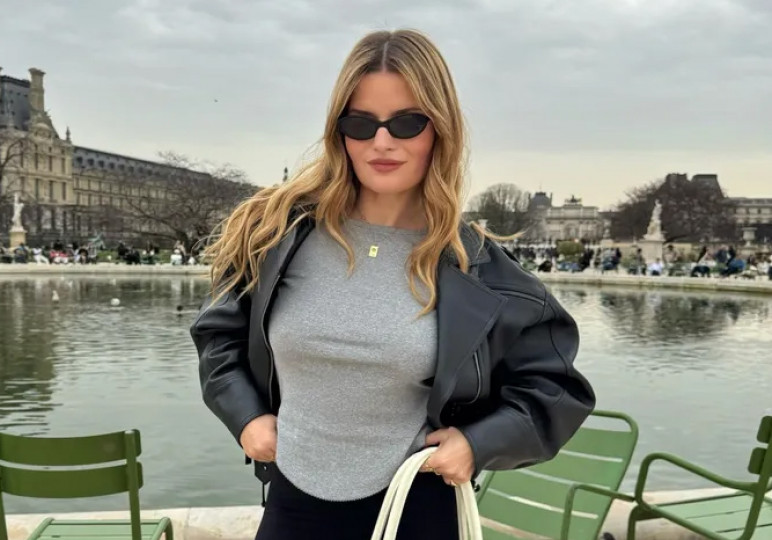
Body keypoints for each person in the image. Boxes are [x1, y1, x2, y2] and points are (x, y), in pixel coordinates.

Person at [190, 29, 595, 540]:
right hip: (293, 504)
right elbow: (219, 337)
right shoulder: (275, 236)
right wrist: (247, 418)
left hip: (419, 507)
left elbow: (556, 388)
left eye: (407, 123)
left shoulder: (480, 268)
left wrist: (477, 444)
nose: (382, 143)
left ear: (440, 128)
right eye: (361, 124)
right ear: (339, 131)